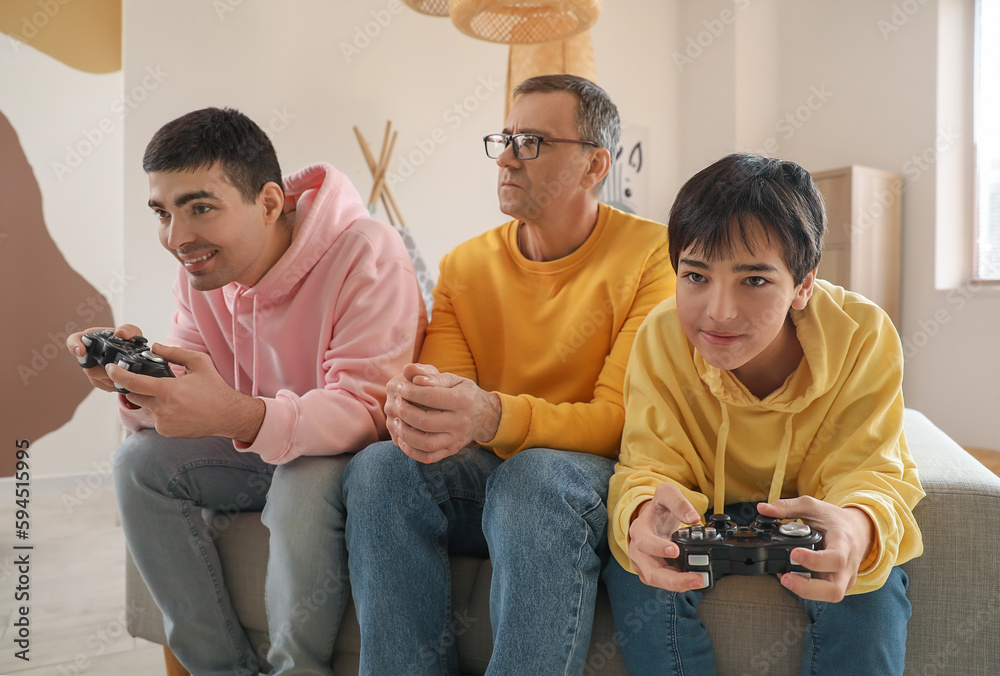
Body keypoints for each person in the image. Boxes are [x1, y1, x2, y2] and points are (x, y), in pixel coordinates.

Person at [65, 107, 425, 675]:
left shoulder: (365, 251)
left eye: (200, 208)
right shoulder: (202, 268)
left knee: (303, 482)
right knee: (138, 462)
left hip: (346, 461)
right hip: (256, 449)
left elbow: (367, 410)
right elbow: (194, 380)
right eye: (163, 213)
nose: (177, 238)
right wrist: (140, 386)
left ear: (268, 202)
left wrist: (243, 419)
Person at [340, 74, 676, 675]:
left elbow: (620, 422)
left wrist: (492, 414)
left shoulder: (656, 255)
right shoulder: (465, 265)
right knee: (381, 467)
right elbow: (449, 407)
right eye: (505, 138)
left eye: (534, 142)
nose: (507, 157)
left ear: (594, 164)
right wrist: (414, 406)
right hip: (498, 467)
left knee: (533, 477)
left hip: (589, 476)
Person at [604, 153, 925, 675]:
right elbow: (649, 462)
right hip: (703, 516)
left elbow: (871, 467)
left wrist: (857, 526)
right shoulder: (659, 335)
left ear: (803, 286)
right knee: (636, 575)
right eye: (695, 276)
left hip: (816, 515)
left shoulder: (864, 335)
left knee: (871, 588)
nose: (719, 311)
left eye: (753, 280)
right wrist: (643, 512)